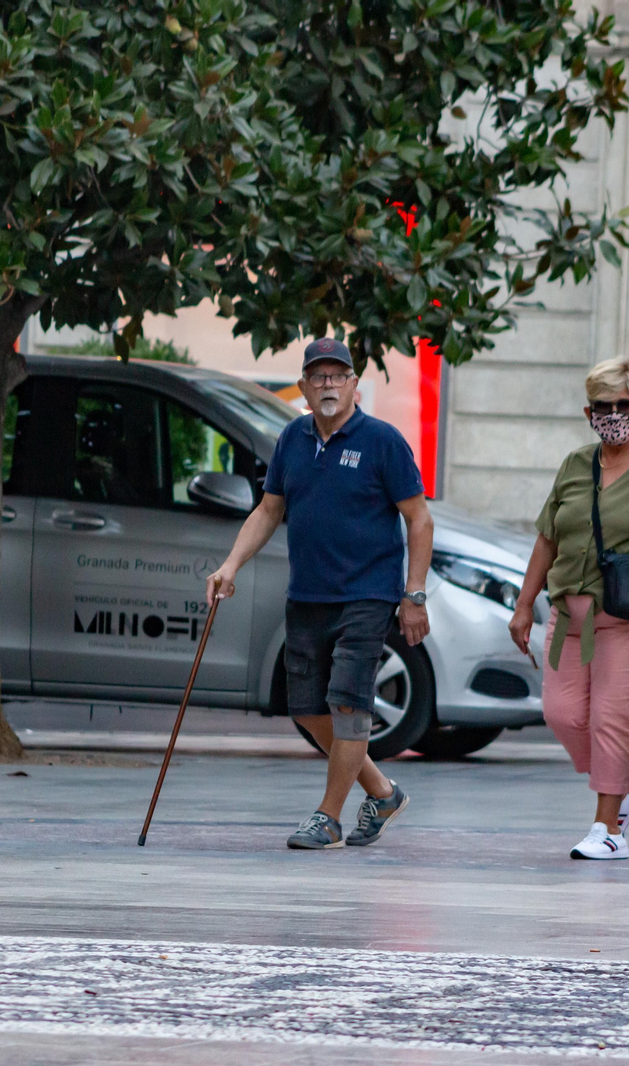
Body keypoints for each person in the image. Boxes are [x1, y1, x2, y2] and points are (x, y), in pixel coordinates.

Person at [207, 337, 433, 850]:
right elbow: (269, 510)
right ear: (305, 386)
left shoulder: (382, 441)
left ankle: (327, 818)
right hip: (307, 593)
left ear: (354, 384)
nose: (328, 384)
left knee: (349, 705)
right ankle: (382, 791)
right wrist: (230, 564)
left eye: (338, 376)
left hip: (368, 594)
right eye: (318, 376)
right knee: (307, 708)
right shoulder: (291, 439)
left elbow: (419, 518)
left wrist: (413, 595)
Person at [508, 358, 629, 861]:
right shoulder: (576, 465)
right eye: (604, 407)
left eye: (624, 406)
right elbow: (547, 537)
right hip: (570, 617)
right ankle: (620, 786)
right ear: (588, 412)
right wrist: (524, 603)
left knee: (610, 718)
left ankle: (608, 828)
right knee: (562, 714)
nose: (614, 415)